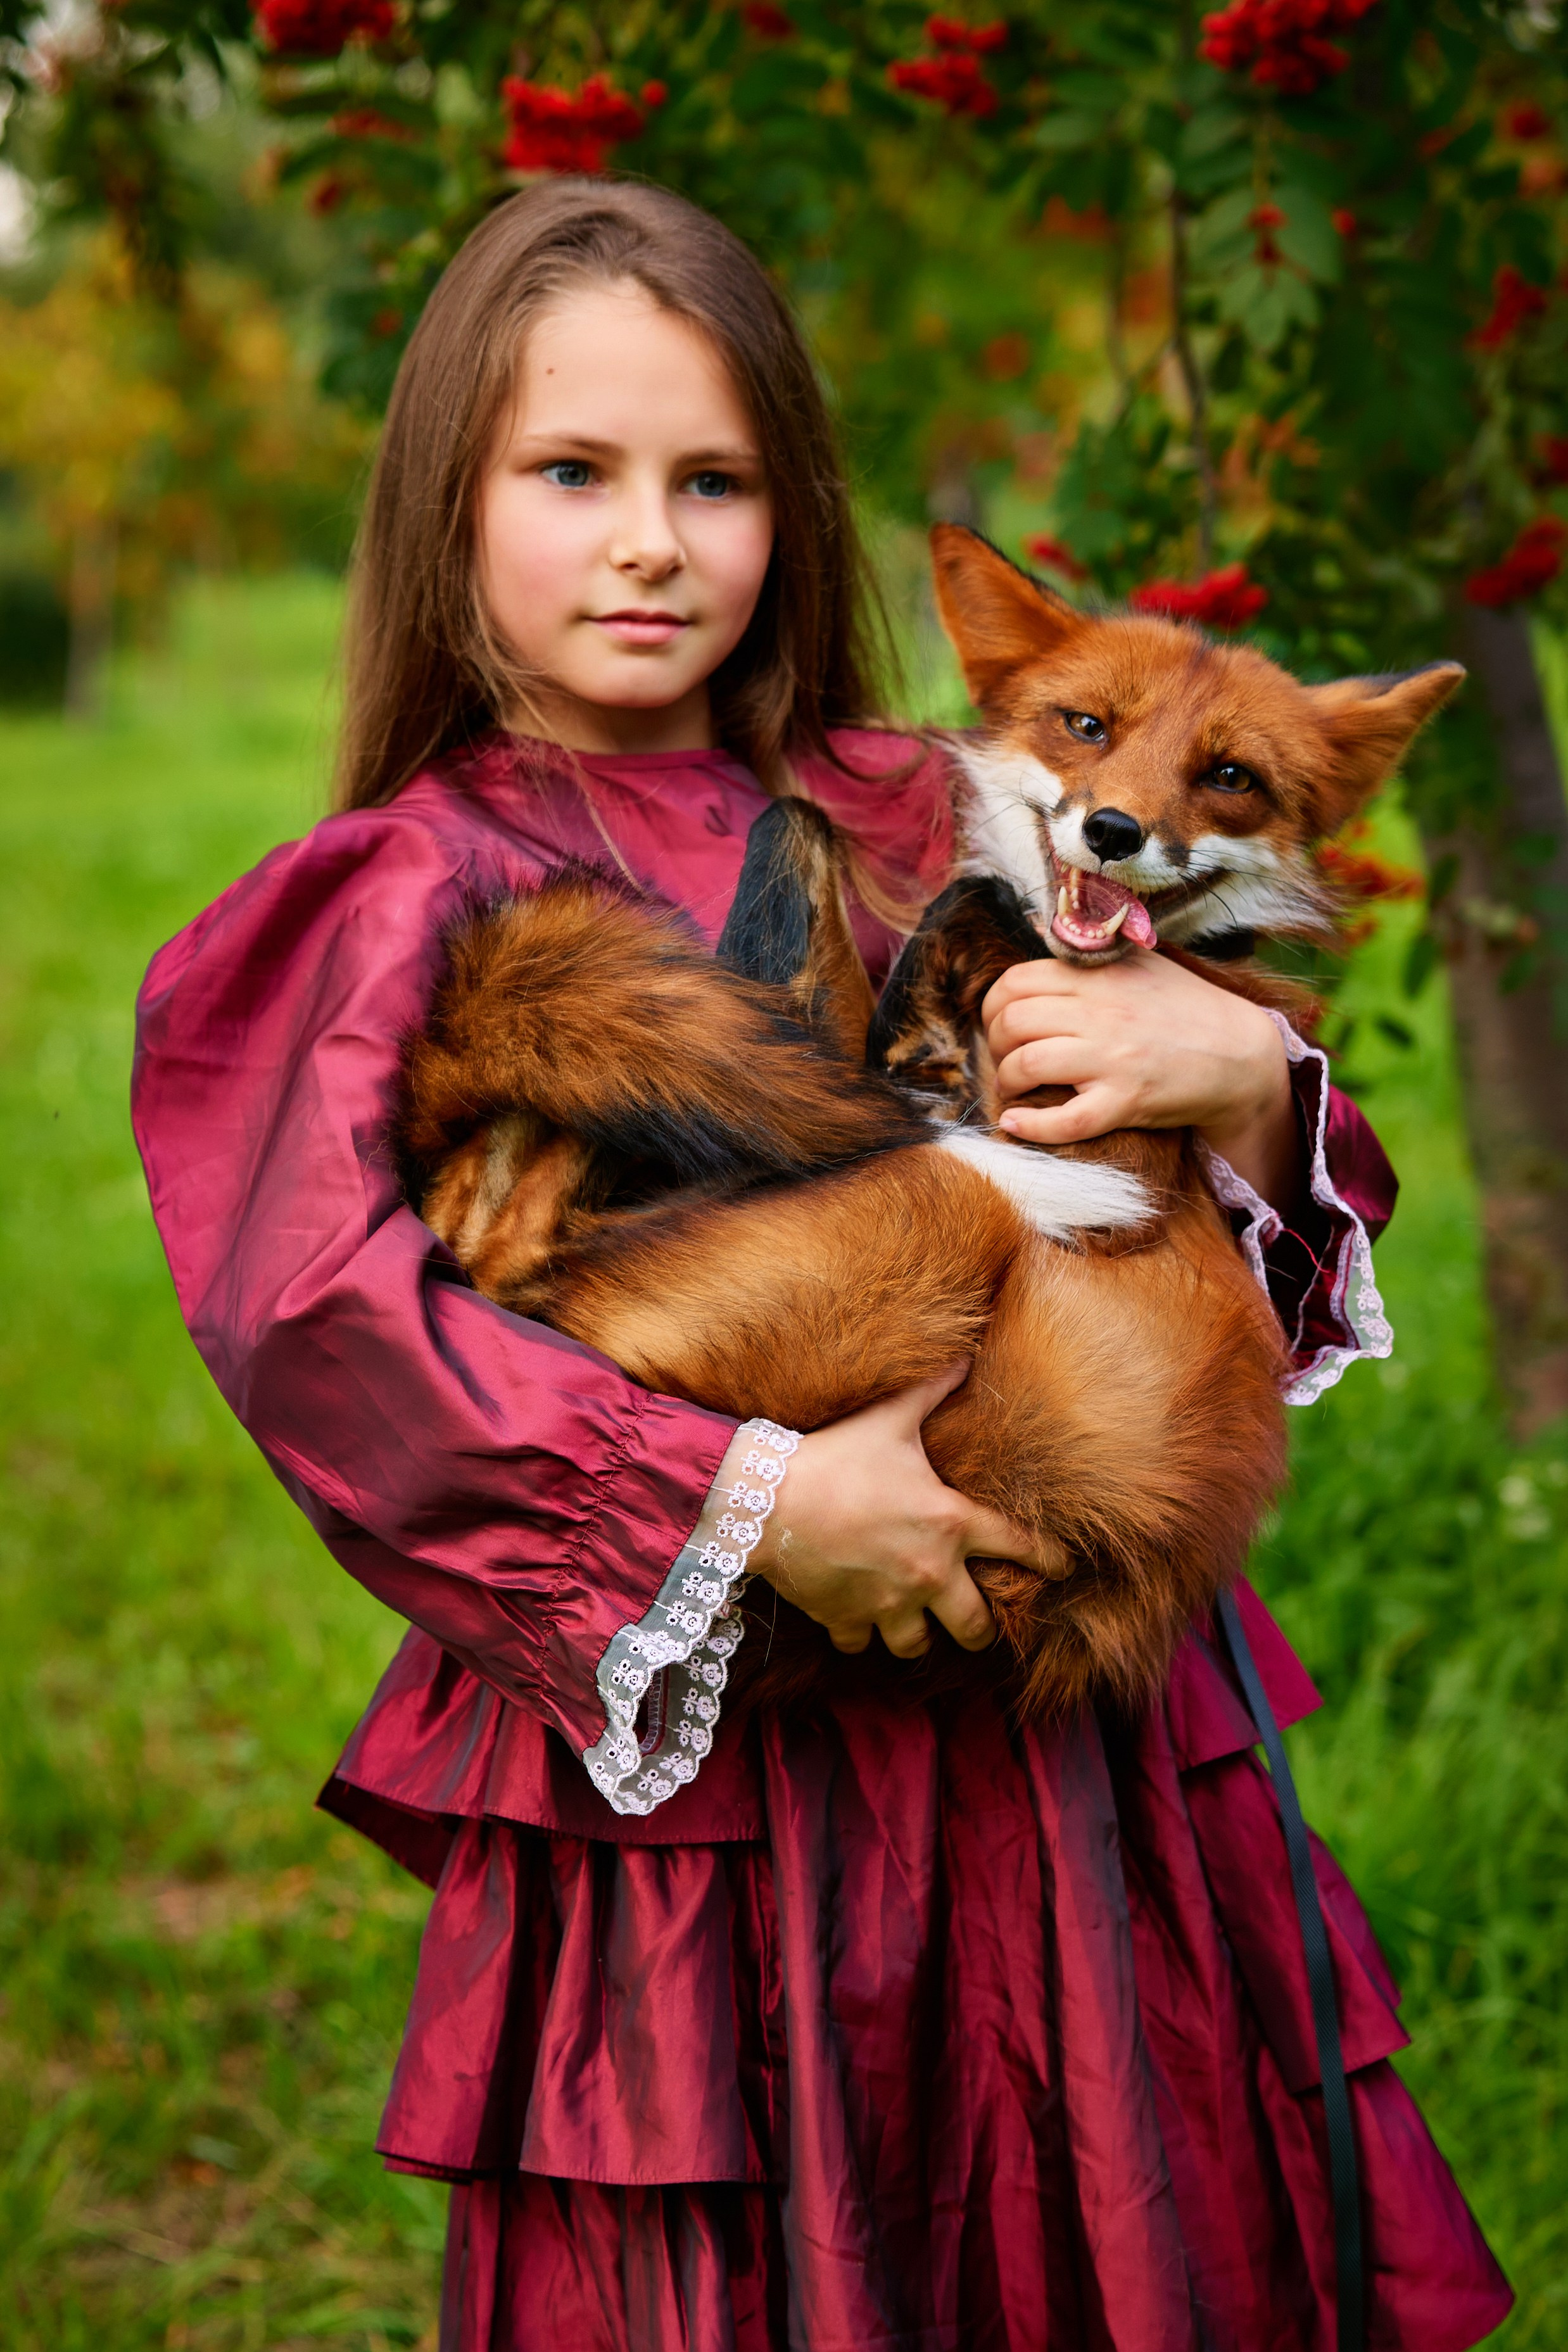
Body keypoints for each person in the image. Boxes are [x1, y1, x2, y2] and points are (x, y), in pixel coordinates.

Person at [132, 179, 1510, 2352]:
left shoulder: (936, 797)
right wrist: (757, 1505)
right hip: (696, 1782)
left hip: (1054, 1752)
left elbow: (1198, 1136)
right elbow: (325, 1320)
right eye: (570, 474)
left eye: (717, 480)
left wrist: (1231, 1067)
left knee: (1080, 2170)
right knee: (756, 2238)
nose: (651, 542)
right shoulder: (392, 890)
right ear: (446, 501)